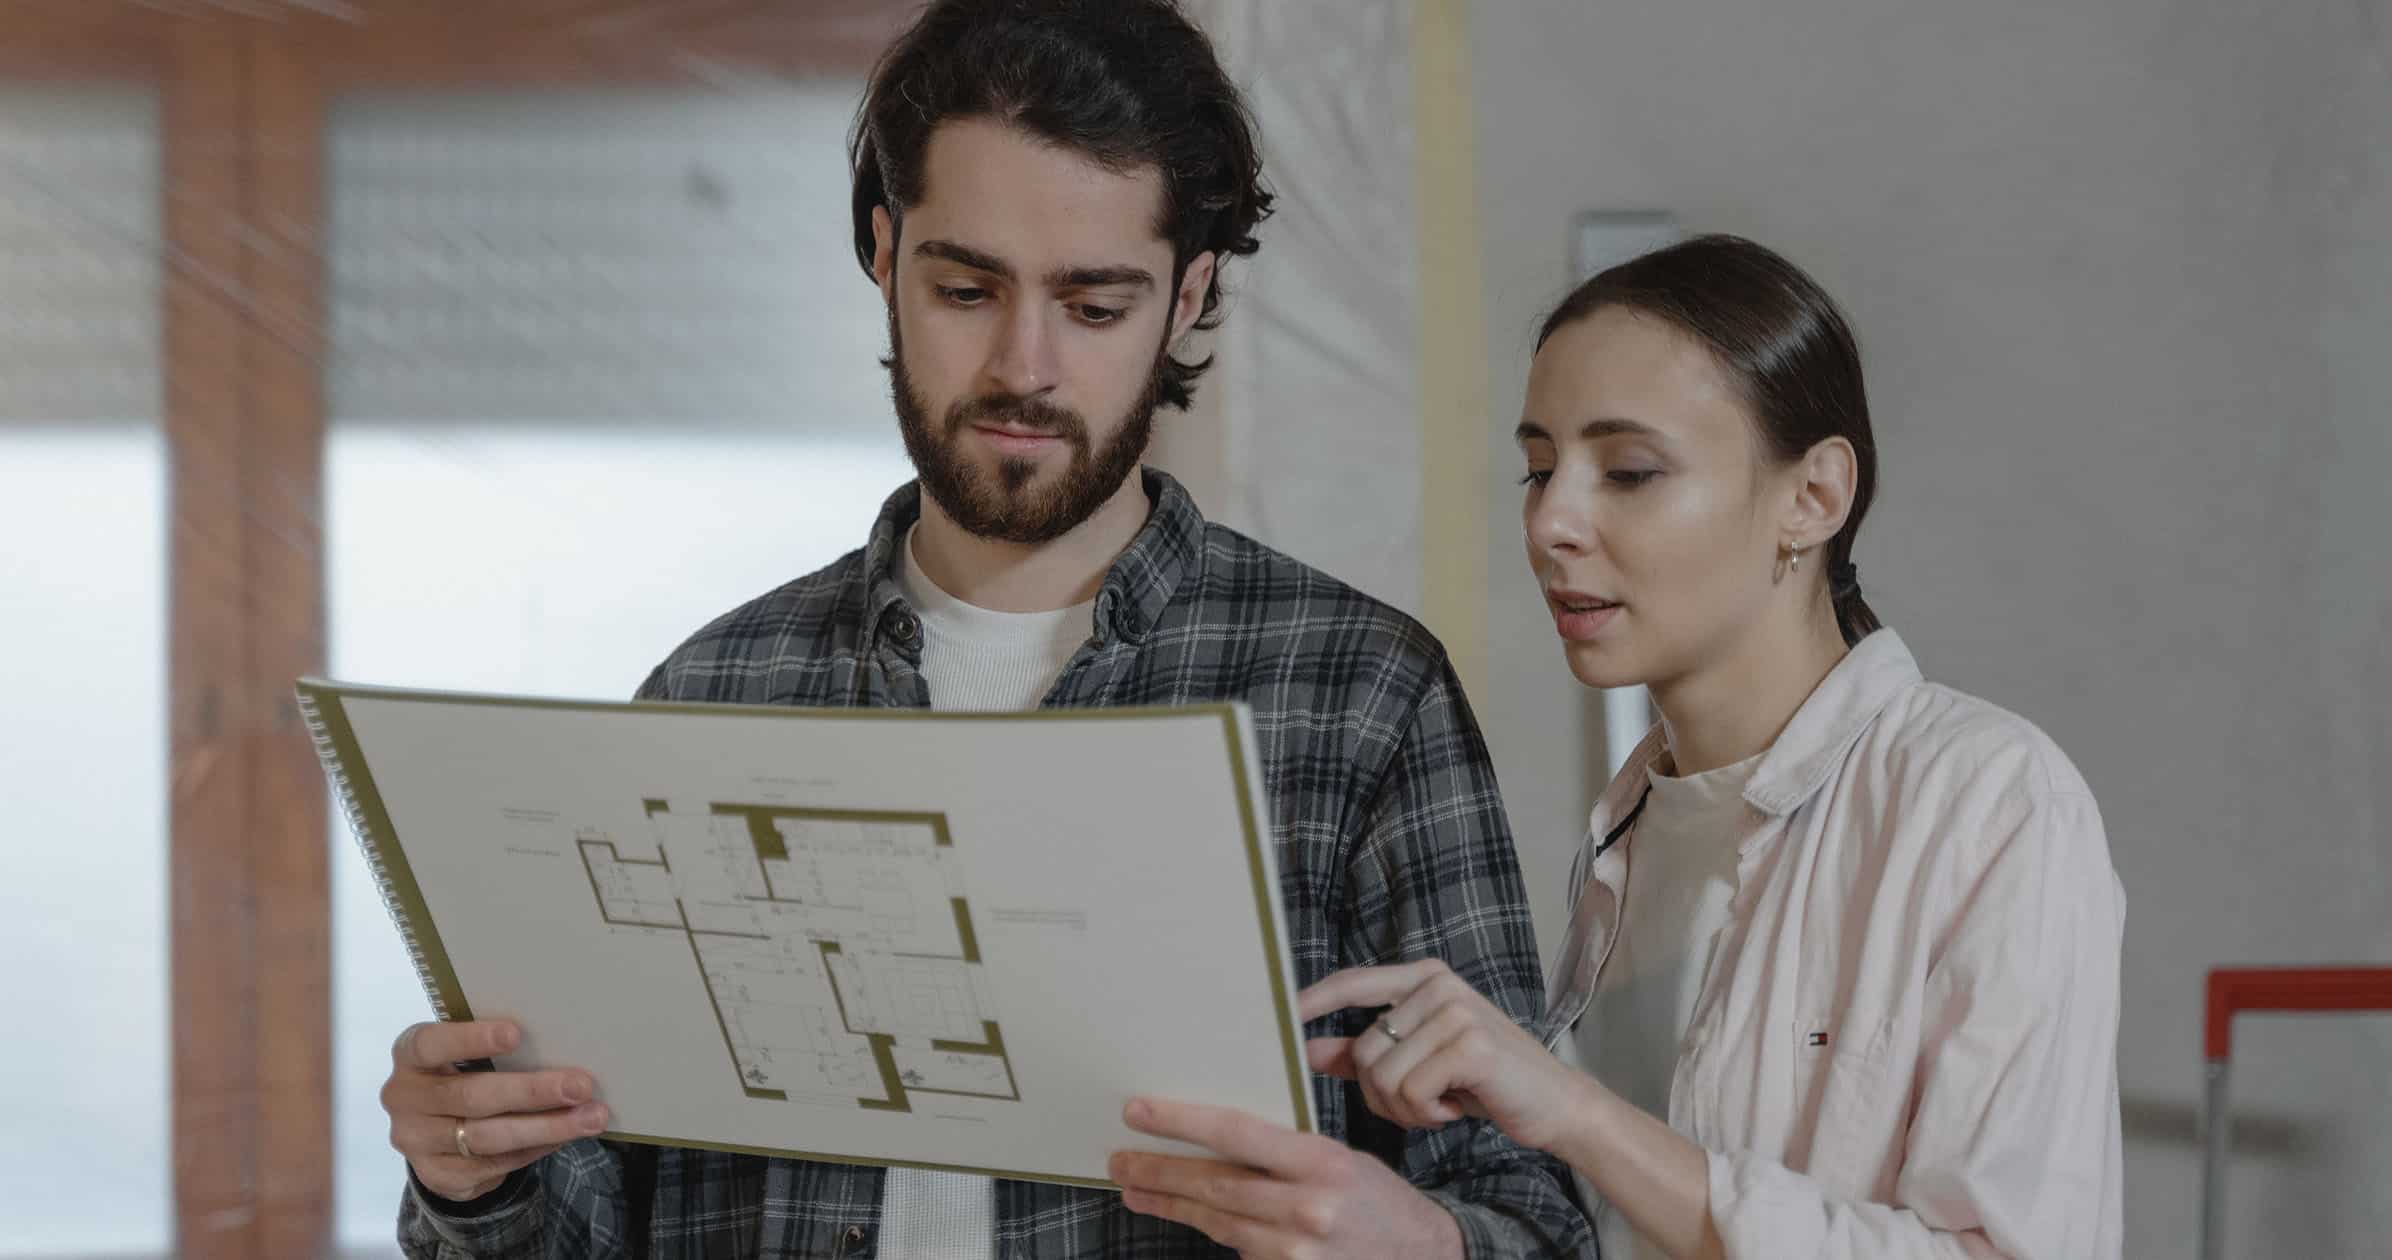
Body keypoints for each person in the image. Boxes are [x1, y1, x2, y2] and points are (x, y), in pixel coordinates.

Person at [377, 2, 1589, 1256]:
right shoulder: (713, 688)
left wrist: (1422, 1245)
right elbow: (591, 1224)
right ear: (882, 251)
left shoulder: (1359, 695)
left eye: (1096, 306)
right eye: (966, 288)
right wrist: (474, 1176)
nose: (1025, 367)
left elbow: (1538, 1221)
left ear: (1191, 297)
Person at [1303, 234, 2126, 1258]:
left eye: (1630, 472)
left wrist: (1573, 1112)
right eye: (1539, 469)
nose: (1552, 521)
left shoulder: (1986, 799)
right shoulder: (1636, 825)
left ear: (1813, 498)